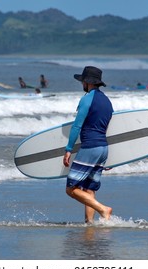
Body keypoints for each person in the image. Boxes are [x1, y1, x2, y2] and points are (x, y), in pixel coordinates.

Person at [63, 66, 114, 224]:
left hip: (90, 147)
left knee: (71, 188)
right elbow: (110, 128)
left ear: (86, 82)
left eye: (82, 81)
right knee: (89, 189)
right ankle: (89, 224)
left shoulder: (87, 99)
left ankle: (103, 210)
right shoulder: (107, 101)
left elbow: (77, 126)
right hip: (103, 148)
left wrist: (69, 149)